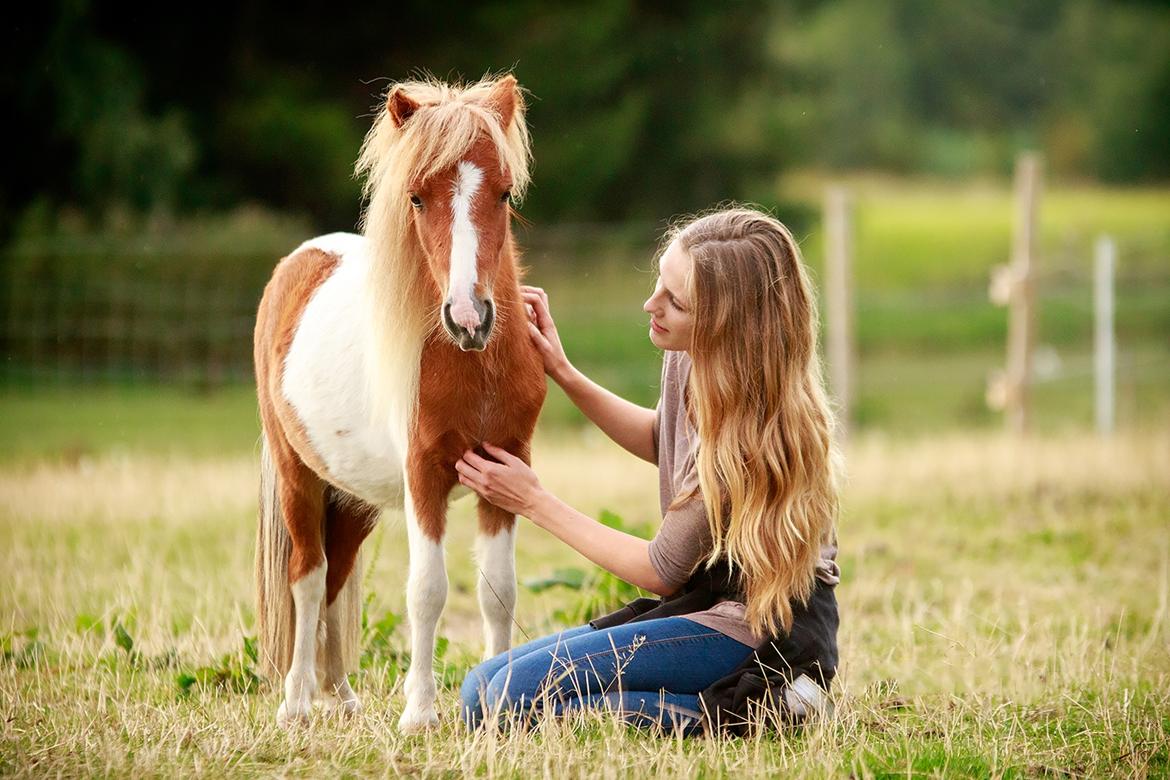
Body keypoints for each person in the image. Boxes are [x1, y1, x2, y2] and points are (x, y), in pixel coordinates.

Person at [454, 207, 841, 735]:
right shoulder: (692, 356)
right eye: (660, 281)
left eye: (675, 302)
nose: (650, 304)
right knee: (482, 687)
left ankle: (759, 704)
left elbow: (660, 568)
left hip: (763, 631)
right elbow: (666, 438)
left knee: (500, 703)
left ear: (724, 328)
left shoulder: (750, 438)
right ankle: (755, 703)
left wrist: (533, 500)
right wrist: (563, 372)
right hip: (704, 602)